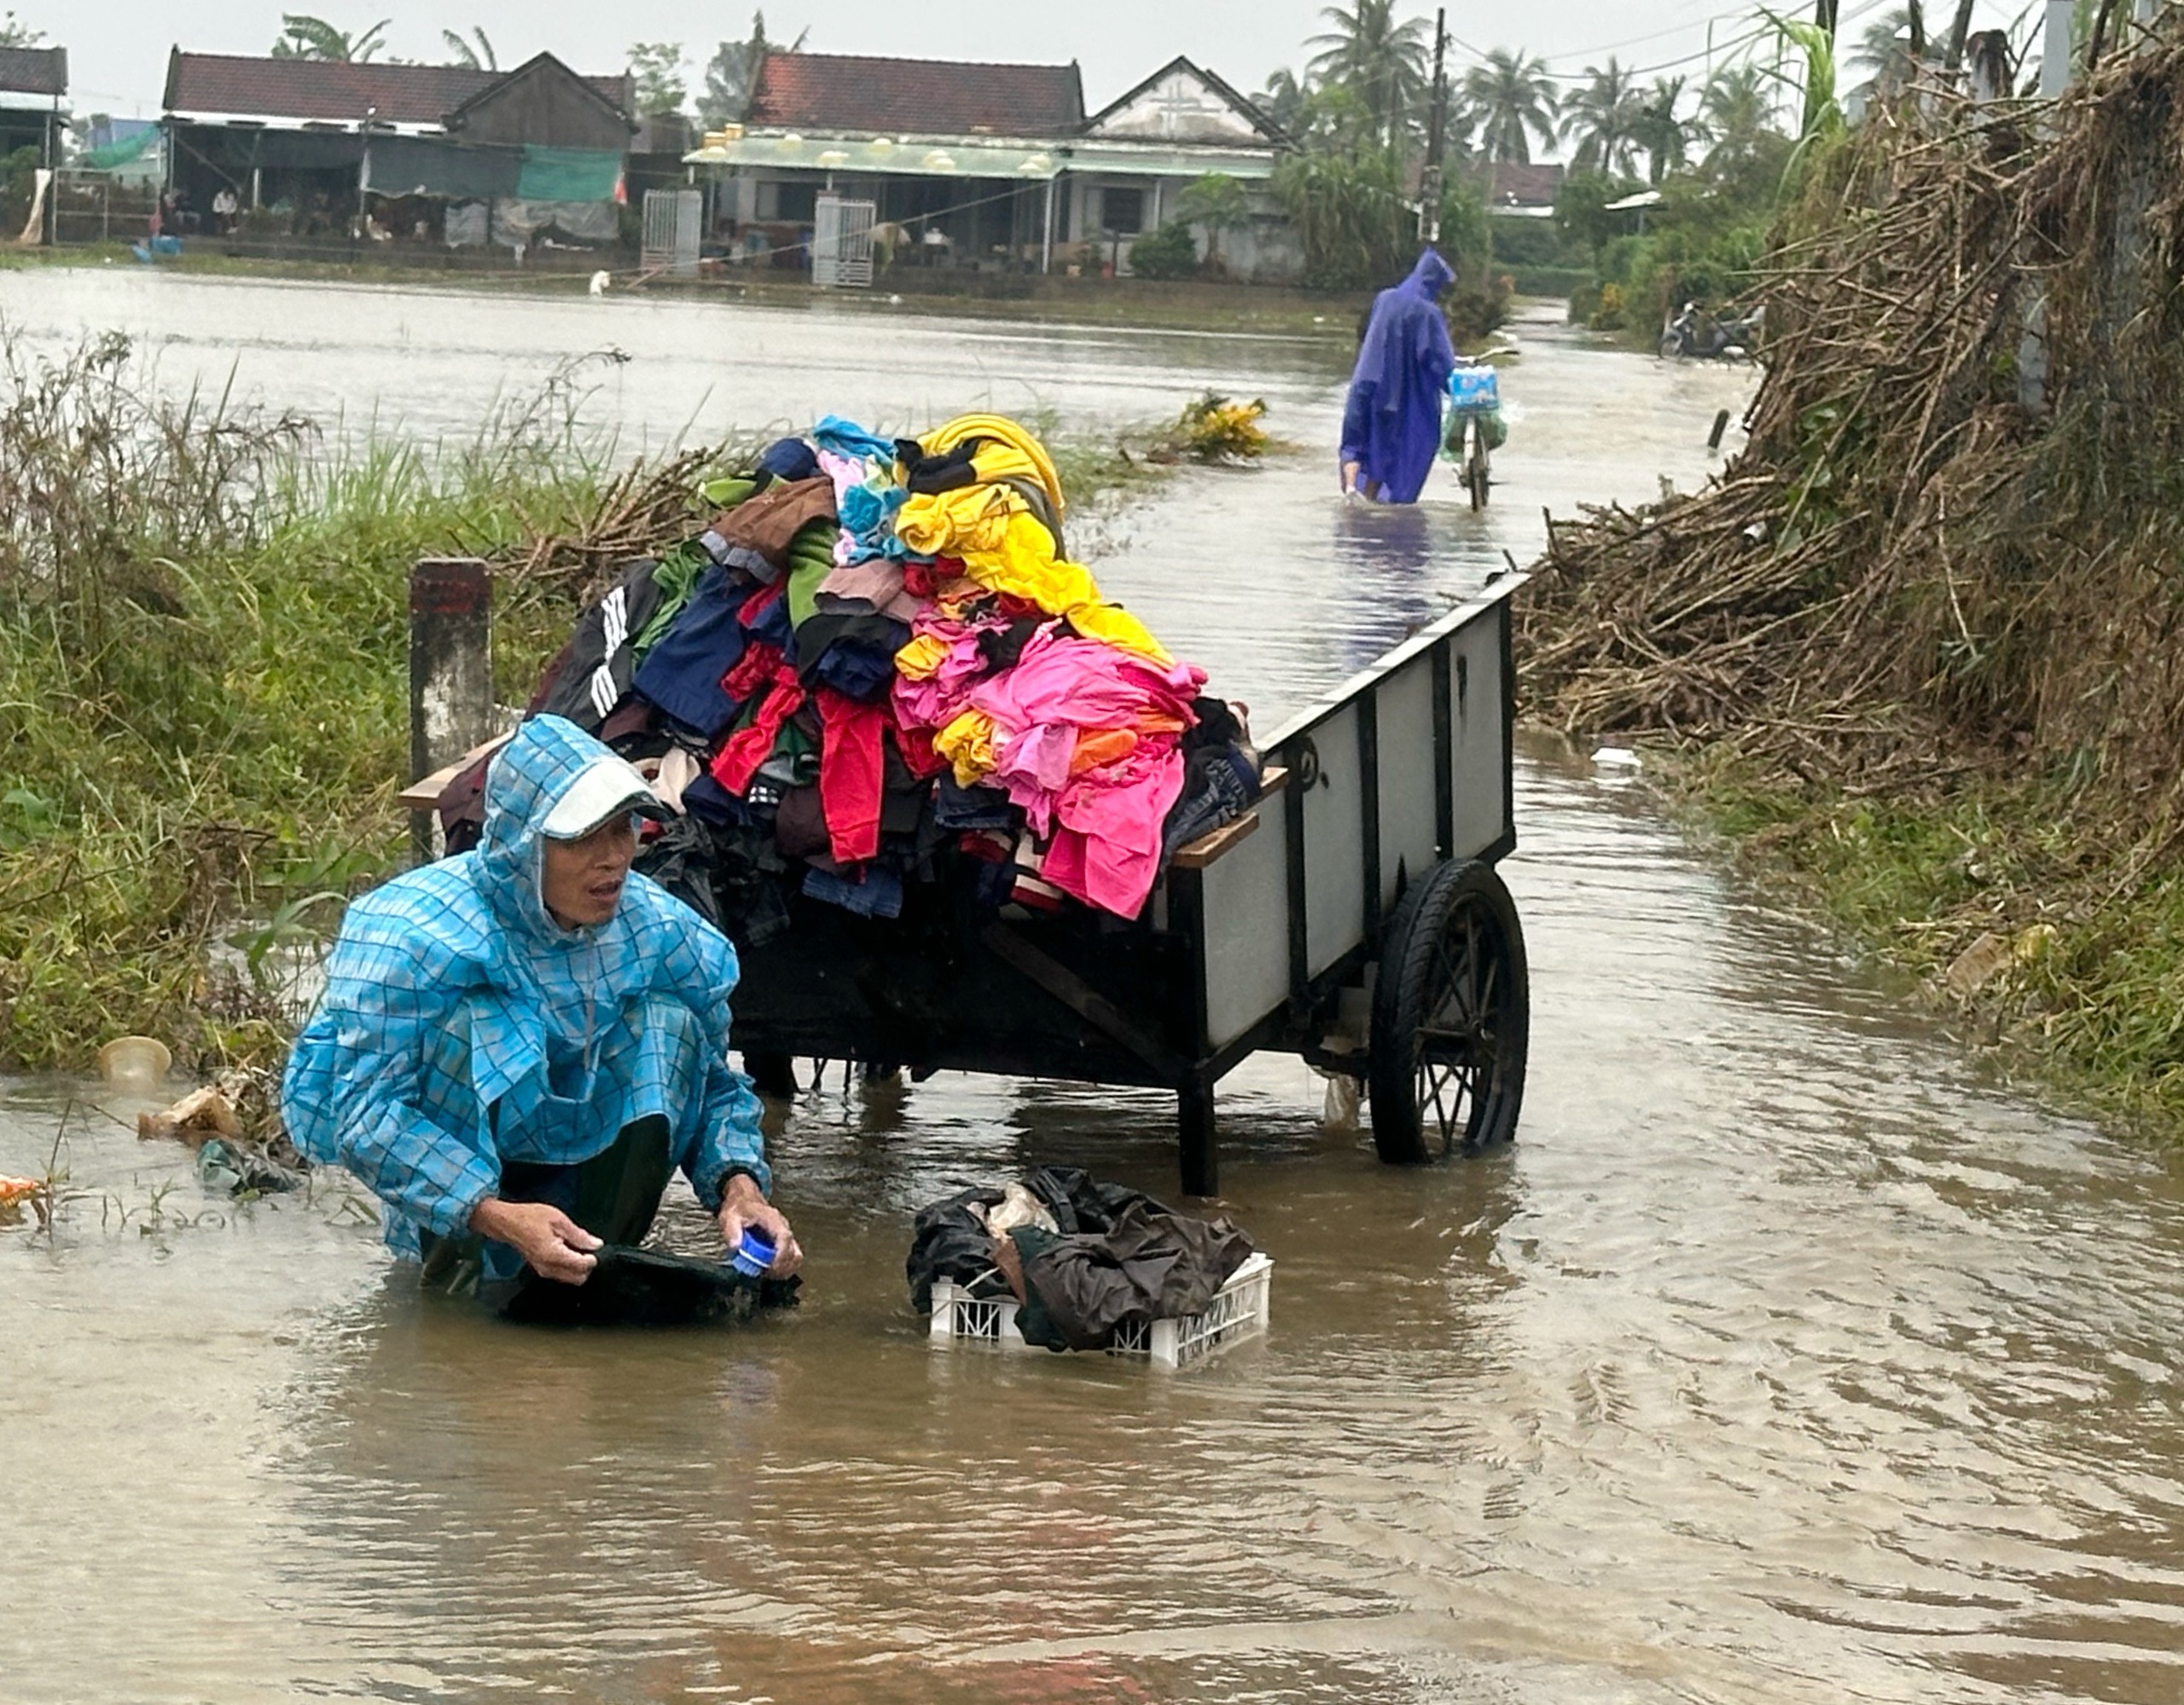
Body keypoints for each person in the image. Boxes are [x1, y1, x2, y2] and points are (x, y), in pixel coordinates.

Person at [283, 715, 800, 1309]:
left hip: (591, 1165)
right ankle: (466, 1285)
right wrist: (495, 1213)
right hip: (467, 1196)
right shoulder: (413, 934)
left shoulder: (659, 930)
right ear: (524, 845)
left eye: (623, 829)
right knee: (468, 1027)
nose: (613, 859)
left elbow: (712, 1085)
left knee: (670, 1025)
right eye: (583, 837)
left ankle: (596, 1262)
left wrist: (740, 1190)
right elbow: (362, 1110)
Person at [1339, 246, 1458, 504]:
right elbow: (1437, 360)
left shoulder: (1384, 298)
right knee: (1394, 449)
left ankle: (1350, 491)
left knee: (1356, 441)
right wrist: (1458, 389)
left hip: (1365, 382)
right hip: (1399, 397)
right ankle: (1378, 502)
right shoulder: (1428, 313)